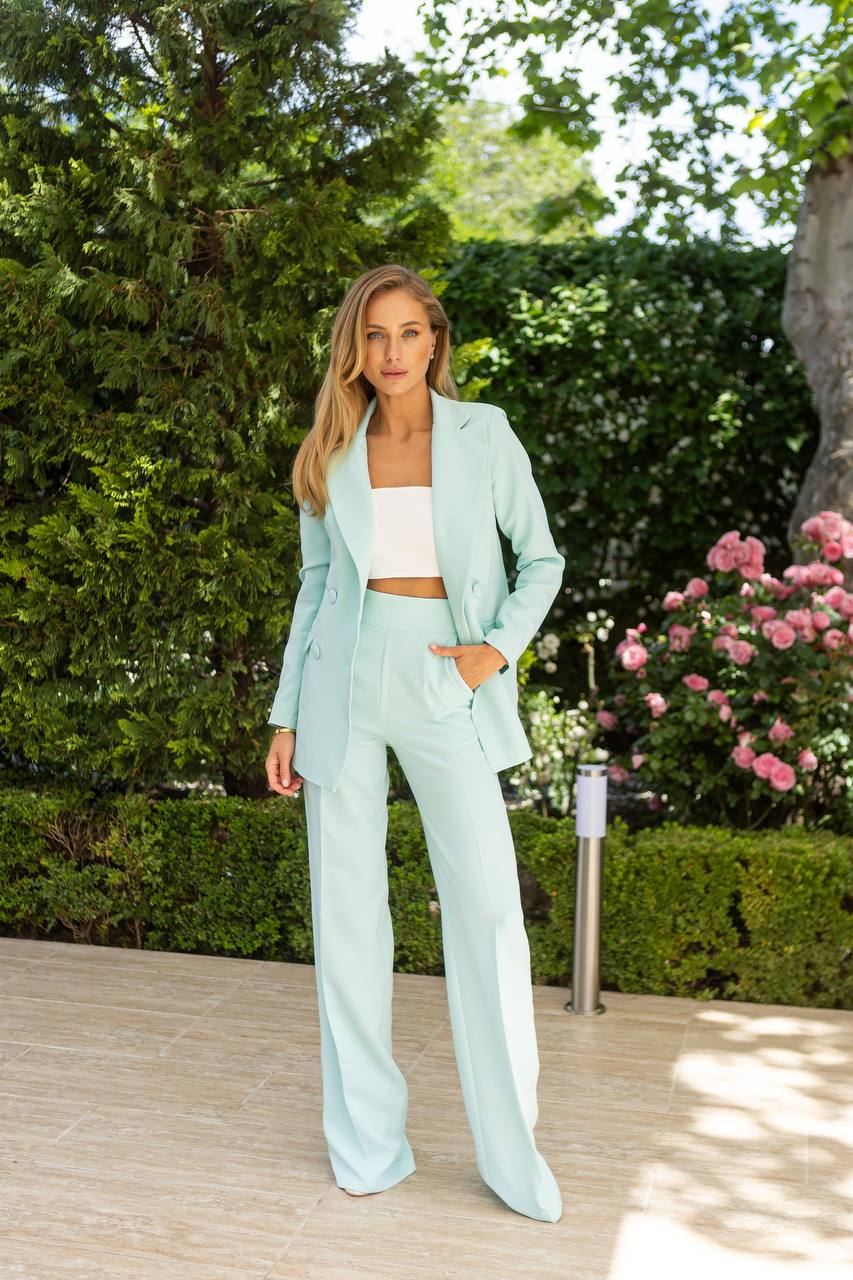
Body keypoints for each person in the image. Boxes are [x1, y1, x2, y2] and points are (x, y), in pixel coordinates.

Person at [264, 264, 565, 1223]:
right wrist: (285, 714)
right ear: (355, 347)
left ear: (434, 342)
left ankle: (511, 1156)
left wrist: (491, 655)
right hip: (342, 683)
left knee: (483, 913)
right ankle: (367, 1147)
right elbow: (316, 590)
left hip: (446, 673)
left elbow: (542, 558)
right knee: (347, 918)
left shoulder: (483, 433)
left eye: (409, 333)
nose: (391, 353)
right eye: (374, 335)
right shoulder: (330, 448)